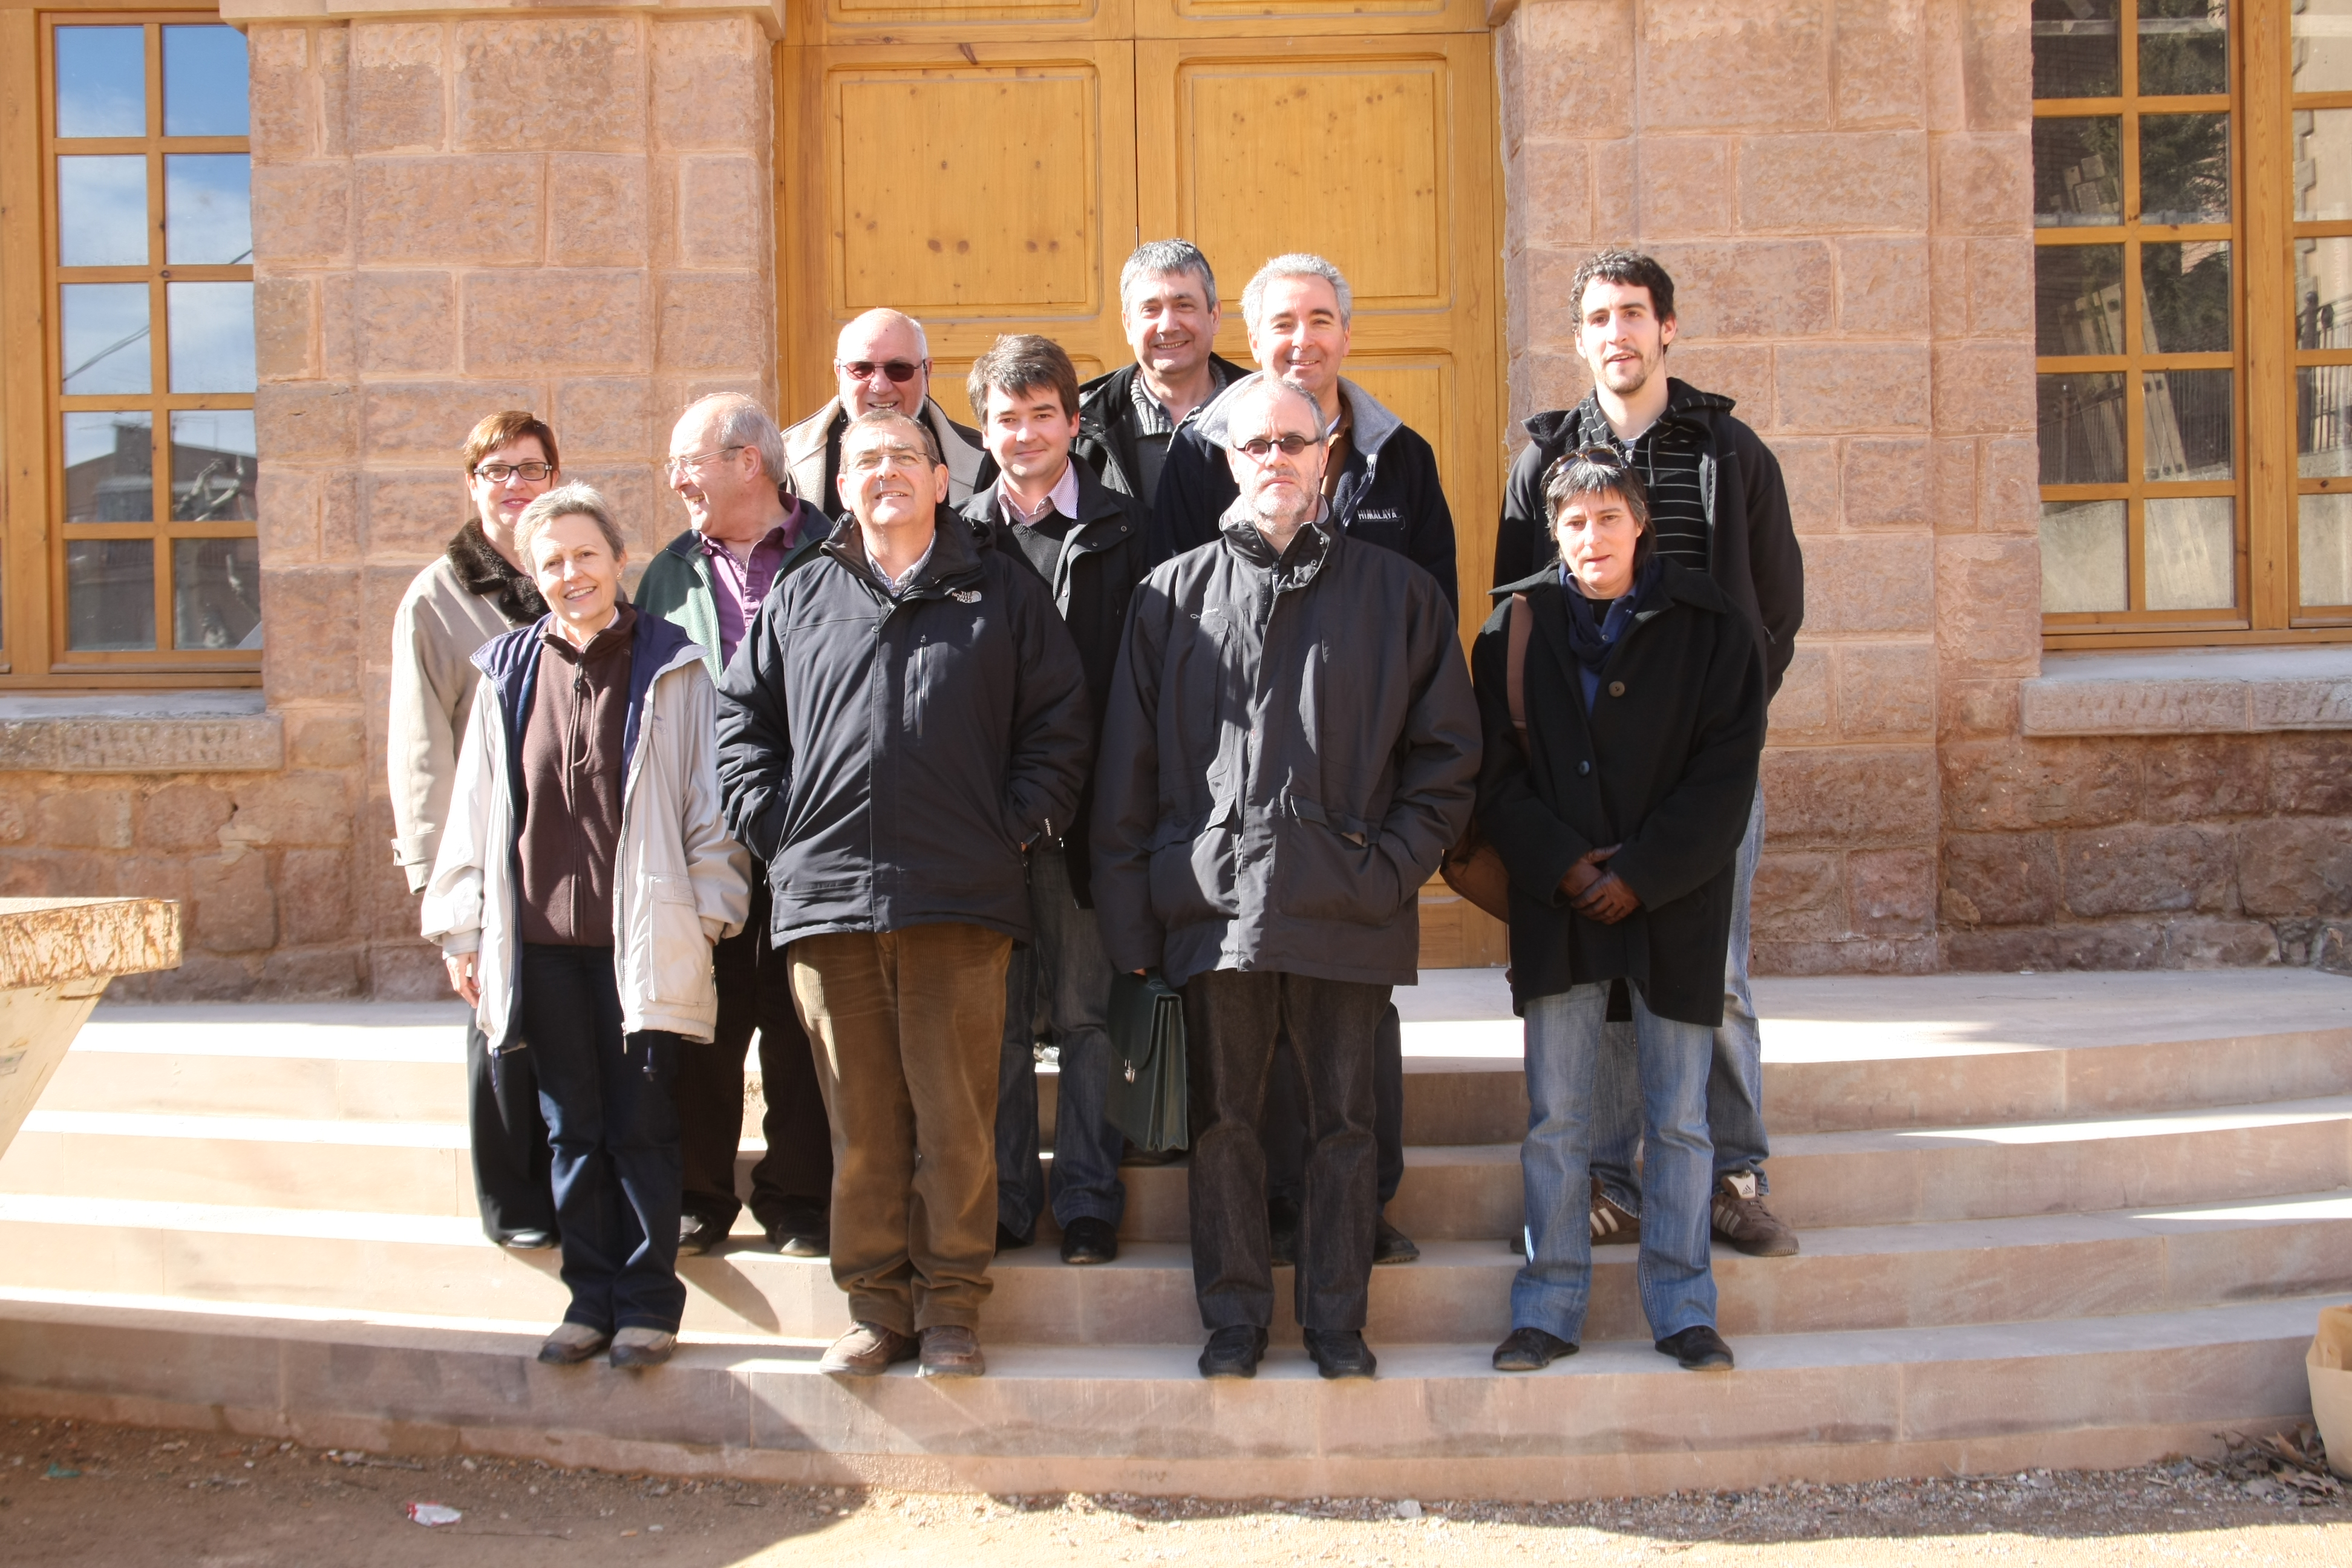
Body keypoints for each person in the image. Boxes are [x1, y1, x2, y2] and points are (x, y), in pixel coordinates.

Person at [1092, 374, 1478, 1382]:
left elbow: (1447, 760)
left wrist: (1389, 866)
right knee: (1224, 1127)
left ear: (1326, 458)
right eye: (1256, 443)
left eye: (1294, 443)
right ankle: (1232, 1320)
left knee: (1344, 1124)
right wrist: (1136, 928)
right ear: (1227, 460)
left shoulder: (1397, 596)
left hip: (1346, 907)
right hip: (1214, 911)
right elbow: (1125, 776)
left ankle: (1336, 1321)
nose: (1275, 459)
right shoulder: (1166, 597)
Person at [717, 409, 1091, 1380]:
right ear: (840, 487)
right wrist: (781, 834)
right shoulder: (801, 596)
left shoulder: (999, 591)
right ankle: (878, 1305)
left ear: (940, 482)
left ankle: (955, 1306)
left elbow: (1060, 725)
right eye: (864, 461)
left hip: (959, 908)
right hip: (828, 907)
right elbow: (741, 730)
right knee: (863, 1122)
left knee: (958, 1119)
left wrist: (1009, 828)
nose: (884, 473)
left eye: (905, 459)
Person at [1493, 250, 1805, 1260]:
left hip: (1702, 775)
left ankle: (1729, 1170)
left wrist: (1723, 735)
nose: (1616, 332)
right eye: (1597, 317)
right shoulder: (1542, 463)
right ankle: (1605, 1178)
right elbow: (1517, 616)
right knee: (1600, 968)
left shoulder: (1729, 452)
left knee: (1710, 970)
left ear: (1665, 328)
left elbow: (1776, 606)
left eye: (1633, 313)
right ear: (1578, 338)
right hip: (1578, 774)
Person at [1151, 252, 1457, 1266]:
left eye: (1320, 318)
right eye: (1282, 321)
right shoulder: (1203, 460)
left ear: (1344, 334)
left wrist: (1391, 853)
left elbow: (1431, 652)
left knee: (1351, 1062)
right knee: (1243, 1074)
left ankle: (1357, 1216)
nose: (1302, 336)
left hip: (1350, 824)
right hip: (1235, 835)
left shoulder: (1399, 457)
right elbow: (1173, 634)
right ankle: (1269, 1228)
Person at [423, 483, 750, 1370]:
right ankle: (589, 1300)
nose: (572, 574)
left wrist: (711, 913)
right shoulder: (505, 672)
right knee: (571, 1133)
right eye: (552, 561)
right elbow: (477, 812)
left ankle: (647, 1305)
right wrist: (463, 930)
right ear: (534, 574)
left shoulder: (672, 662)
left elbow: (707, 805)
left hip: (640, 940)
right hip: (539, 951)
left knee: (643, 1127)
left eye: (586, 555)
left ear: (618, 561)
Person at [1476, 448, 1765, 1376]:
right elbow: (1492, 774)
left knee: (1679, 1120)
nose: (1591, 537)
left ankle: (1682, 1308)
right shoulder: (1515, 628)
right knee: (1557, 1118)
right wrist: (1563, 866)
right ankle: (1548, 1304)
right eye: (1573, 522)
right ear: (1552, 532)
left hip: (1673, 902)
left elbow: (1727, 774)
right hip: (1557, 905)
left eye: (1608, 518)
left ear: (1640, 522)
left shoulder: (1712, 626)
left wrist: (1641, 872)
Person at [961, 335, 1151, 1267]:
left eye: (1045, 415)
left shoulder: (1127, 529)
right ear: (984, 430)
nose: (1027, 432)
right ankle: (1005, 1198)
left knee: (1086, 1014)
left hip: (1090, 819)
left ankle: (1085, 1198)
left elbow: (1148, 684)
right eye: (1007, 417)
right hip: (988, 824)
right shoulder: (955, 536)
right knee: (994, 1020)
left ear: (1075, 423)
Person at [636, 393, 836, 1260]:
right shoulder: (666, 573)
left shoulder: (838, 549)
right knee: (704, 1022)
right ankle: (697, 1196)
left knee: (801, 1025)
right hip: (703, 829)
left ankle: (799, 1198)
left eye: (690, 461)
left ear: (748, 461)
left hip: (809, 824)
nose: (676, 478)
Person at [386, 410, 562, 1252]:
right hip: (487, 852)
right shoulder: (437, 597)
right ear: (473, 484)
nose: (516, 486)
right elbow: (420, 748)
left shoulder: (576, 571)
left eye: (531, 469)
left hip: (573, 853)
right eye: (498, 471)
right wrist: (436, 880)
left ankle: (571, 1190)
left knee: (568, 1026)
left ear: (553, 481)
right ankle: (515, 1201)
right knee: (500, 1025)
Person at [1074, 240, 1245, 515]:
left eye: (1184, 305)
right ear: (1128, 325)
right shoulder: (1081, 425)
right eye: (1150, 309)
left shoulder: (1267, 413)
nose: (1168, 325)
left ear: (1214, 316)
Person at [782, 309, 993, 517]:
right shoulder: (785, 460)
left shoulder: (984, 459)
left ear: (927, 370)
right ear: (839, 372)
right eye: (862, 369)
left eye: (899, 368)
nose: (880, 386)